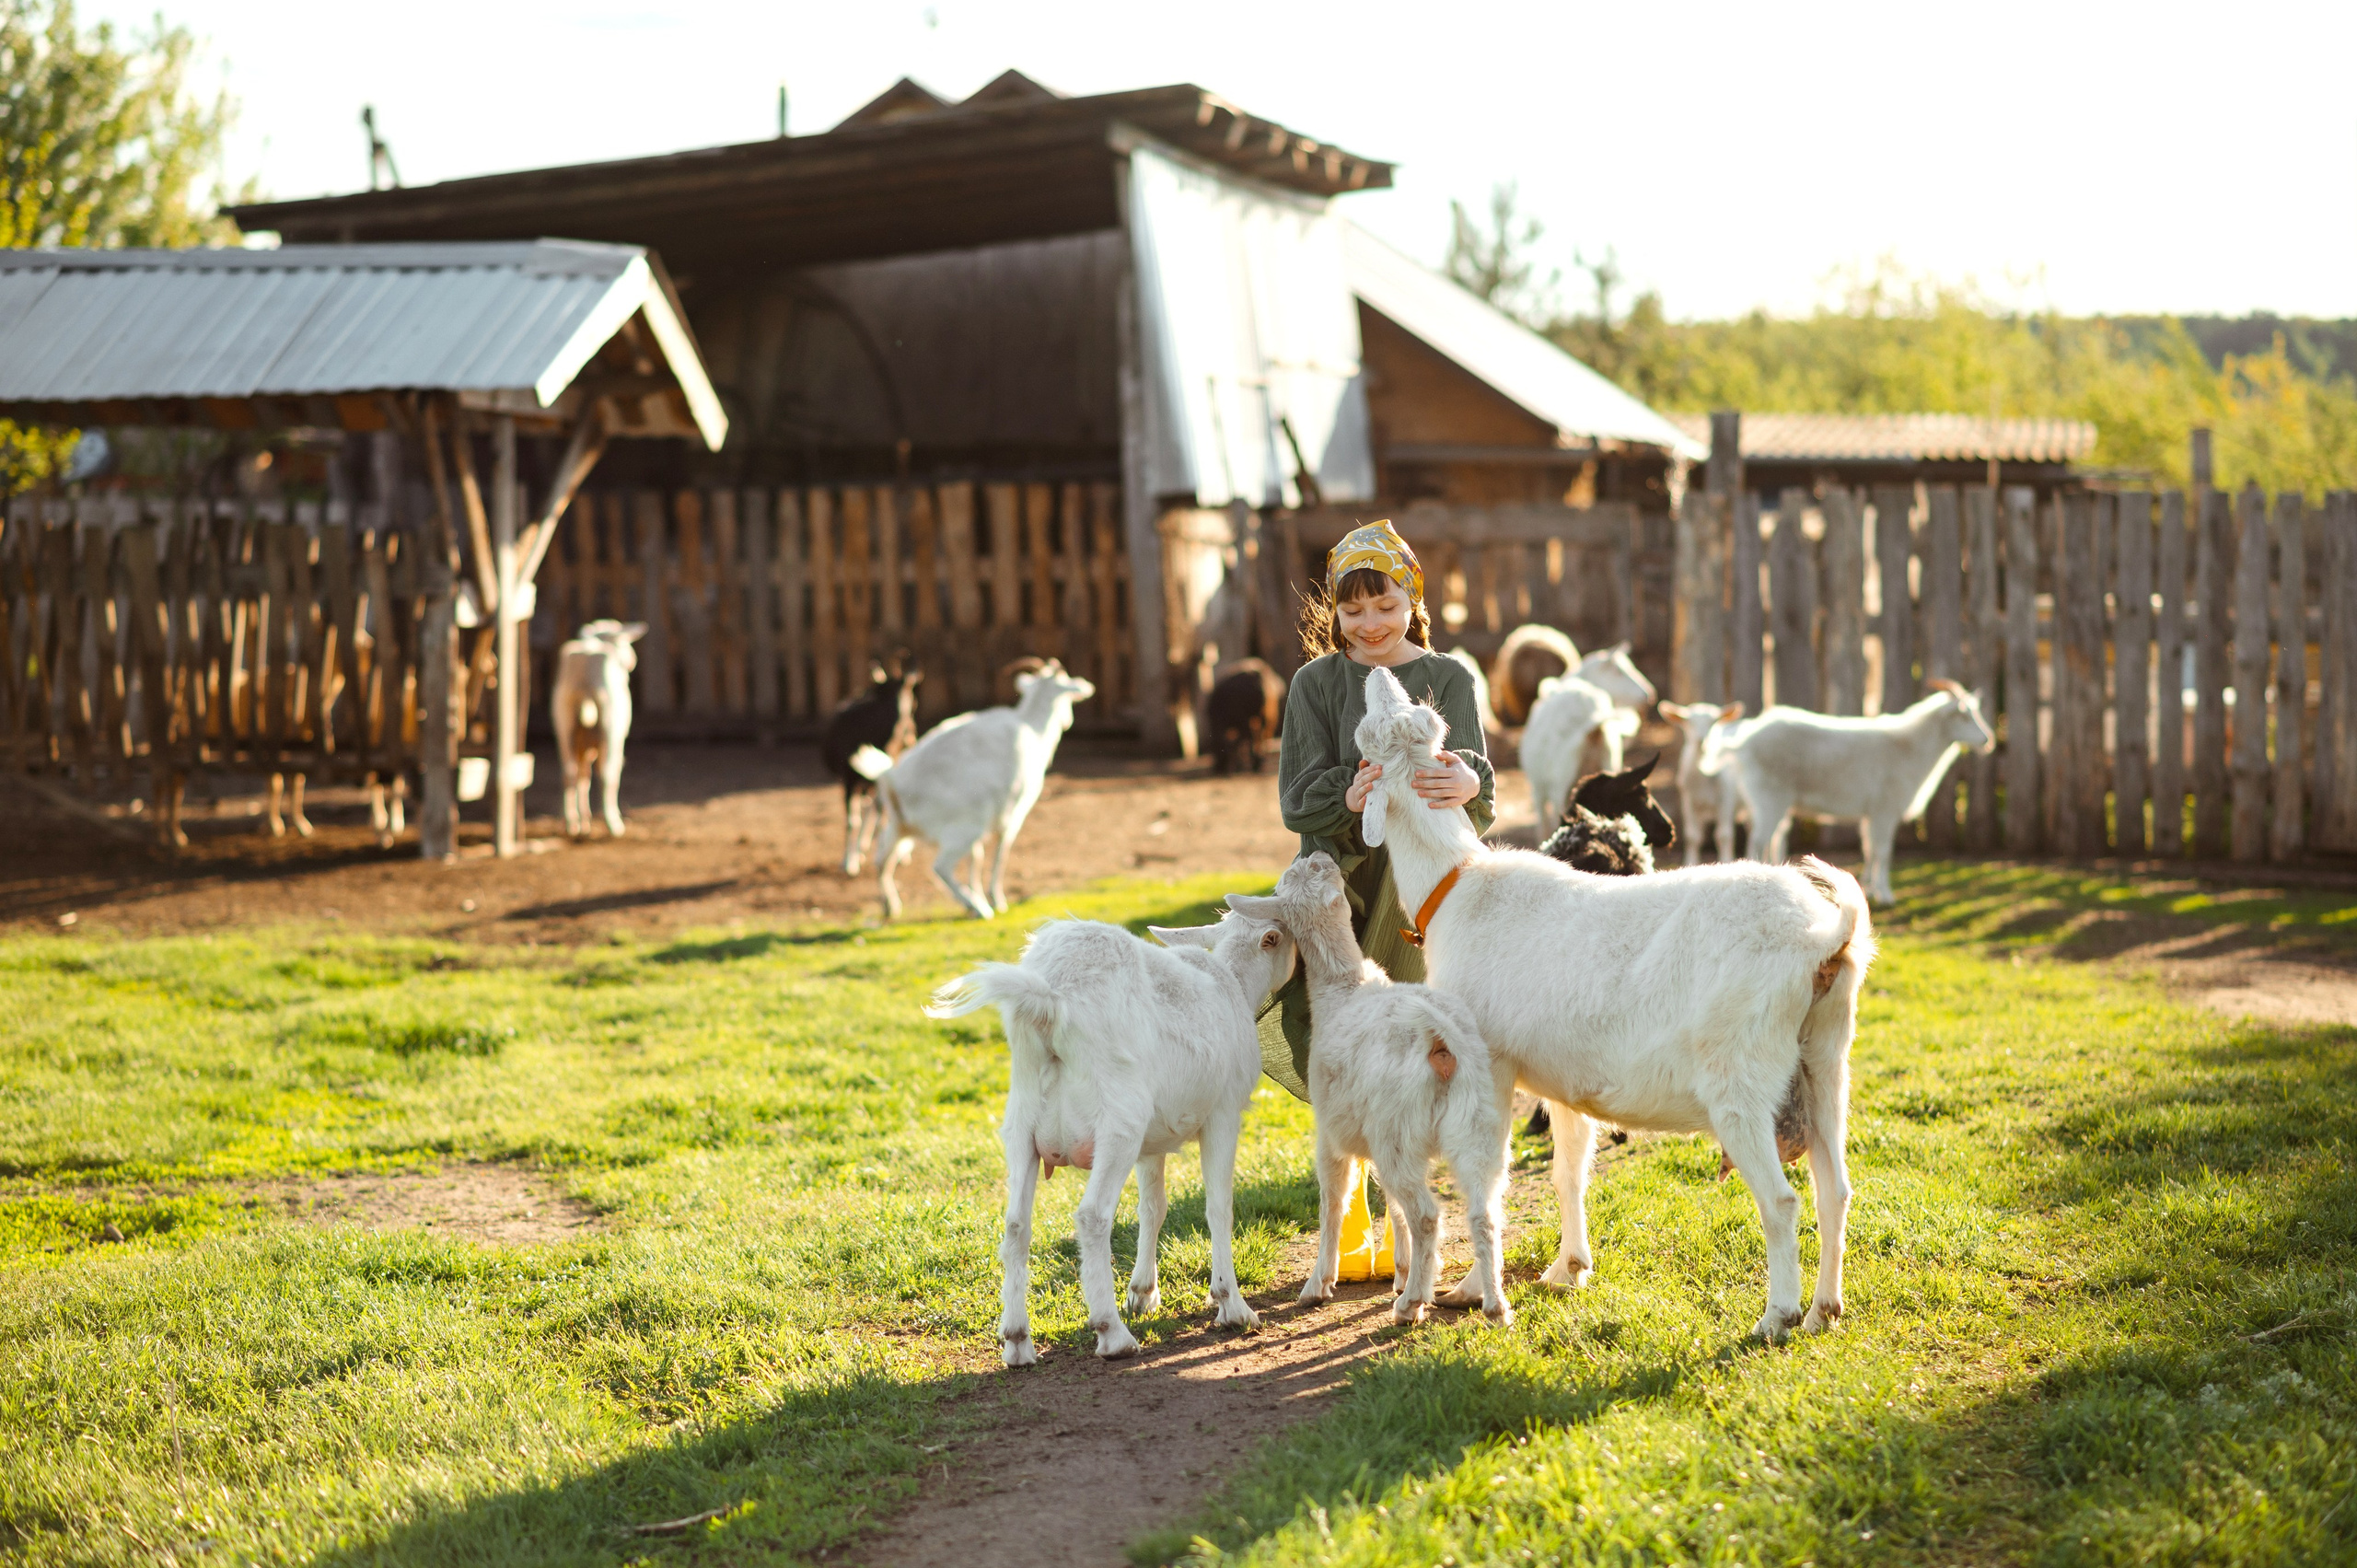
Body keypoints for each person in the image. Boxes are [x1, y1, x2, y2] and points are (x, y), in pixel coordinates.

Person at [1265, 520, 1495, 1277]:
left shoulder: (1450, 677)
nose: (1370, 623)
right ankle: (1353, 1214)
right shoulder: (1313, 684)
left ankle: (1412, 1215)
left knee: (1406, 1041)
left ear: (1413, 598)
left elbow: (1477, 792)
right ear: (1334, 610)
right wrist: (1347, 790)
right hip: (1336, 884)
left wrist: (1469, 779)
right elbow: (1296, 800)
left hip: (1412, 887)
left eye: (1385, 604)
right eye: (1353, 608)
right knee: (1332, 1041)